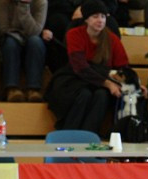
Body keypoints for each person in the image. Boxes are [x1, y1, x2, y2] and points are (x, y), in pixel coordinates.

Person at [44, 0, 130, 133]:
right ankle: (68, 133)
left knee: (101, 95)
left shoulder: (112, 39)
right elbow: (80, 67)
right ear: (86, 19)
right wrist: (108, 83)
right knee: (84, 94)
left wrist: (135, 84)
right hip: (74, 79)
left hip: (99, 82)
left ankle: (89, 136)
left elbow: (123, 67)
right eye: (95, 16)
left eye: (103, 16)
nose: (100, 20)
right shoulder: (74, 34)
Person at [0, 0, 47, 102]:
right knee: (10, 43)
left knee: (35, 42)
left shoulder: (41, 2)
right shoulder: (4, 2)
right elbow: (3, 29)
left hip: (32, 37)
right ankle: (11, 89)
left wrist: (24, 7)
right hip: (11, 37)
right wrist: (19, 34)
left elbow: (36, 31)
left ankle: (33, 90)